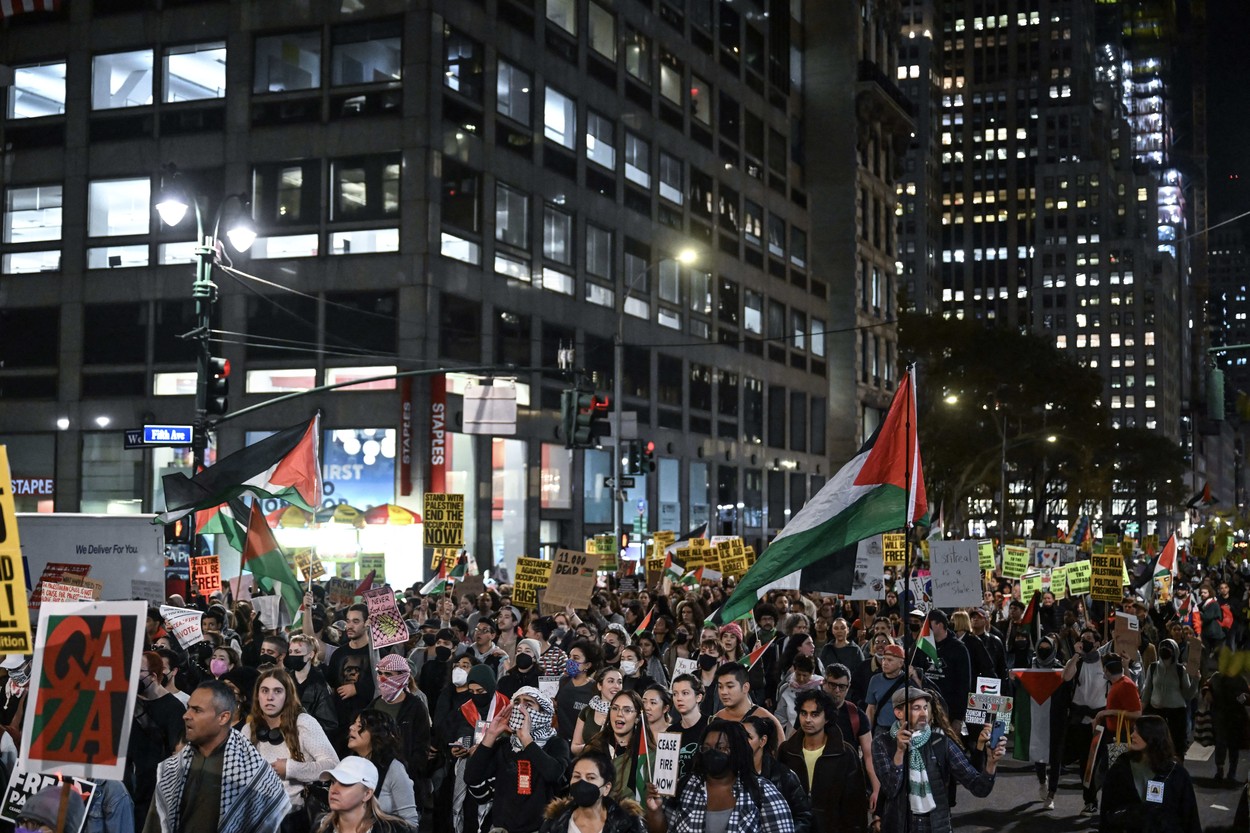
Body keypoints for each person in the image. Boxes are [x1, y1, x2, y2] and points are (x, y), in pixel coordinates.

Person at [144, 681, 291, 833]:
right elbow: (155, 824)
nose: (186, 715)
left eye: (197, 710)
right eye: (188, 708)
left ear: (223, 717)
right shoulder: (173, 767)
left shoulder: (254, 774)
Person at [870, 686, 1004, 833]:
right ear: (899, 712)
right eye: (916, 708)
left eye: (925, 708)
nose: (923, 714)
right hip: (899, 826)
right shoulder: (882, 743)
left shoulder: (941, 742)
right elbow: (890, 789)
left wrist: (991, 764)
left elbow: (979, 788)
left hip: (936, 826)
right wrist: (900, 752)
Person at [643, 719, 796, 833]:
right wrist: (655, 811)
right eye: (707, 748)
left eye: (721, 748)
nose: (712, 753)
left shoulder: (762, 792)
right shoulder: (685, 786)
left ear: (737, 751)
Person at [242, 667, 340, 832]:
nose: (270, 697)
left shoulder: (303, 723)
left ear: (287, 696)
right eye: (264, 691)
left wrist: (291, 768)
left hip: (292, 819)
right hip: (256, 819)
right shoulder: (248, 729)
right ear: (257, 696)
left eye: (277, 691)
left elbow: (333, 765)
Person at [465, 687, 572, 833]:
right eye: (516, 703)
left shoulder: (556, 744)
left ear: (542, 712)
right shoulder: (504, 745)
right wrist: (491, 735)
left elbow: (553, 774)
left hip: (540, 828)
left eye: (528, 704)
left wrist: (526, 739)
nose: (520, 708)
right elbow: (471, 776)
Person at [777, 690, 868, 833]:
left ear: (826, 718)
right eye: (803, 713)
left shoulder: (845, 753)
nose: (807, 719)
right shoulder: (787, 751)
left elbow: (855, 804)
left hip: (833, 826)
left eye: (815, 714)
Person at [1099, 714, 1202, 833]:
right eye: (1134, 731)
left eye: (1138, 732)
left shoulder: (1176, 773)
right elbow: (1106, 810)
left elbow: (1190, 816)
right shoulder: (1120, 768)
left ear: (1153, 736)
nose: (1132, 735)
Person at [128, 651, 186, 831]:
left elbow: (179, 751)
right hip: (129, 785)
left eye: (138, 671)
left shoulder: (173, 707)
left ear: (153, 676)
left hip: (154, 789)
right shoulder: (127, 702)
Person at [538, 750, 647, 833]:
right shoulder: (554, 823)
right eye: (576, 776)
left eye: (591, 778)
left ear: (606, 788)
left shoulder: (627, 824)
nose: (582, 783)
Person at [820, 664, 879, 813]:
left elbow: (869, 755)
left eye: (842, 686)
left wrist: (876, 789)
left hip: (847, 784)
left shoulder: (856, 715)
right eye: (832, 685)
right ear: (824, 683)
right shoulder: (810, 711)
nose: (837, 691)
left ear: (848, 686)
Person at [346, 710, 421, 826]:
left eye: (360, 726)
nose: (351, 727)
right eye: (354, 724)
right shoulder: (349, 765)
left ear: (377, 734)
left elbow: (411, 823)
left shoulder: (394, 769)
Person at [744, 715, 813, 833]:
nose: (741, 742)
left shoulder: (784, 775)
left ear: (762, 741)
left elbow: (804, 817)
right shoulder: (732, 772)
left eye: (748, 737)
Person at [585, 690, 653, 803]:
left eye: (627, 710)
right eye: (615, 708)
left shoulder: (646, 754)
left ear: (637, 718)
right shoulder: (594, 747)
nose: (619, 714)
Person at [316, 756, 416, 833]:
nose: (334, 790)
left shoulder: (392, 830)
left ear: (367, 794)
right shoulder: (321, 825)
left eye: (345, 784)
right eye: (333, 782)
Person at [326, 605, 375, 752]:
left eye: (355, 621)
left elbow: (384, 685)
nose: (349, 626)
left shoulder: (378, 654)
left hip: (367, 727)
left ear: (367, 623)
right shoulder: (339, 654)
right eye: (348, 621)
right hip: (340, 727)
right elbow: (331, 684)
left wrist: (358, 688)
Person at [1140, 637, 1196, 757]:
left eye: (1168, 647)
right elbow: (1147, 693)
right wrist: (1140, 712)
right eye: (1163, 647)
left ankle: (1177, 771)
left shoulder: (1180, 669)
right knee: (1155, 746)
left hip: (1176, 713)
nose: (1165, 650)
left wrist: (1196, 679)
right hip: (1156, 712)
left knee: (1177, 746)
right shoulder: (1153, 667)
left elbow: (1188, 694)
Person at [713, 663, 785, 742]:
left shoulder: (766, 720)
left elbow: (780, 752)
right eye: (720, 687)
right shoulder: (716, 719)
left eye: (730, 686)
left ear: (745, 687)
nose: (723, 692)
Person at [286, 635, 338, 741]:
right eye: (290, 652)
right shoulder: (284, 680)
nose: (293, 655)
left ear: (311, 654)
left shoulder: (320, 685)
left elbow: (329, 723)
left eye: (297, 652)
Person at [573, 667, 624, 754]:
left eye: (619, 682)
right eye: (611, 681)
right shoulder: (586, 711)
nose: (616, 686)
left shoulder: (625, 713)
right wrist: (591, 747)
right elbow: (574, 747)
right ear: (599, 686)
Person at [669, 674, 709, 780]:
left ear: (698, 697)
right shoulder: (671, 732)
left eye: (685, 693)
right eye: (675, 694)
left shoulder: (711, 725)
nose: (679, 698)